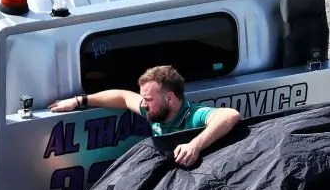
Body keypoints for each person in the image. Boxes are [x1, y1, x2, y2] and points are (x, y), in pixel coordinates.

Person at [48, 64, 241, 167]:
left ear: (170, 99)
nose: (144, 105)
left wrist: (194, 146)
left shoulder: (194, 115)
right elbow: (123, 97)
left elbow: (229, 115)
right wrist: (79, 101)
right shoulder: (152, 109)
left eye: (148, 99)